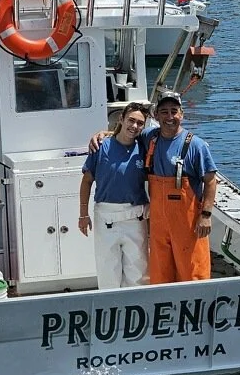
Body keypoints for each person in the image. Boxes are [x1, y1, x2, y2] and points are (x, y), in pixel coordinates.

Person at [142, 92, 217, 285]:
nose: (169, 117)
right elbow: (126, 134)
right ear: (156, 115)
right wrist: (104, 134)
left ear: (181, 114)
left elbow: (210, 181)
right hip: (159, 224)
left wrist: (206, 215)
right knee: (159, 275)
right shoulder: (149, 138)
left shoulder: (196, 145)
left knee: (193, 274)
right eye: (164, 112)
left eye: (174, 111)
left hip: (188, 224)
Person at [79, 102, 150, 289]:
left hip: (136, 217)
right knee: (108, 272)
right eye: (131, 120)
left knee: (139, 274)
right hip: (106, 217)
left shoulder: (144, 148)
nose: (134, 126)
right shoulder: (100, 147)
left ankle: (136, 306)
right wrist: (83, 214)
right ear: (121, 119)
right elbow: (87, 181)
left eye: (140, 123)